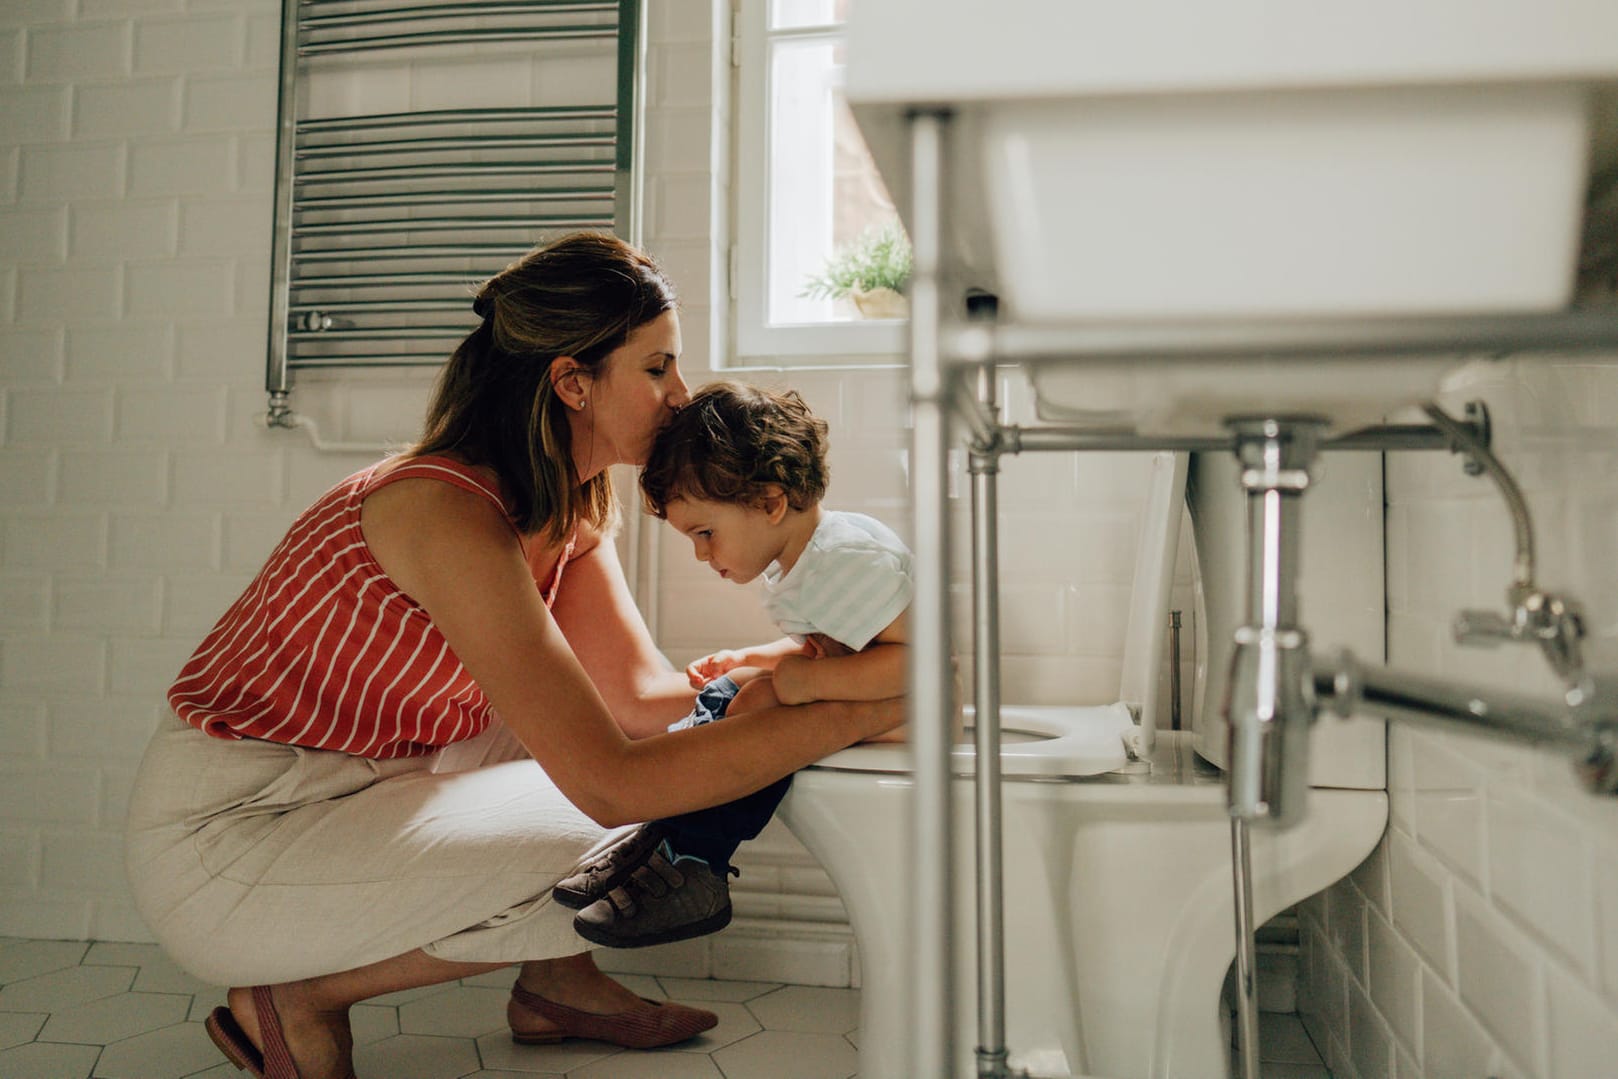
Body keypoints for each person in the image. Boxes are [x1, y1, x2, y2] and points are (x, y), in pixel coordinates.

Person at [123, 234, 904, 1079]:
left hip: (363, 788)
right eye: (657, 368)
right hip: (235, 833)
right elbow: (614, 784)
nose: (681, 396)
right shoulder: (445, 513)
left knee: (637, 758)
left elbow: (641, 701)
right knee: (647, 817)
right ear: (572, 381)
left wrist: (813, 666)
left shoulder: (567, 506)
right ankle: (300, 996)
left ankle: (556, 984)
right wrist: (861, 707)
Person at [550, 380, 912, 949]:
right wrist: (756, 658)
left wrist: (809, 679)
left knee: (759, 702)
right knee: (727, 689)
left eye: (706, 533)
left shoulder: (848, 560)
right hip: (868, 695)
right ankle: (667, 834)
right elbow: (838, 643)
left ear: (770, 502)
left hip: (910, 712)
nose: (701, 553)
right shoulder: (810, 558)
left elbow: (920, 667)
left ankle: (698, 863)